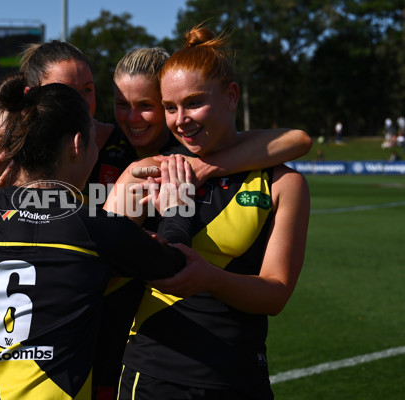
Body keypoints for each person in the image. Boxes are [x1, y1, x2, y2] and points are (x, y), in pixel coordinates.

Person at [0, 40, 310, 396]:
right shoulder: (2, 159)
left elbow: (293, 140)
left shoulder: (131, 146)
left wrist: (206, 168)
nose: (87, 104)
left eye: (91, 91)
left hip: (101, 337)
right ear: (40, 99)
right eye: (71, 95)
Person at [0, 76, 188, 399]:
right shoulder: (98, 227)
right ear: (77, 144)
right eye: (94, 141)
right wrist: (177, 209)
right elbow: (176, 266)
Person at [106, 25, 310, 399]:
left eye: (194, 102)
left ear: (232, 96)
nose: (180, 119)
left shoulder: (283, 184)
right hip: (152, 376)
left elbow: (276, 295)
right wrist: (137, 218)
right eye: (169, 107)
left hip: (239, 377)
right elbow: (96, 271)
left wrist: (211, 278)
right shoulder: (147, 171)